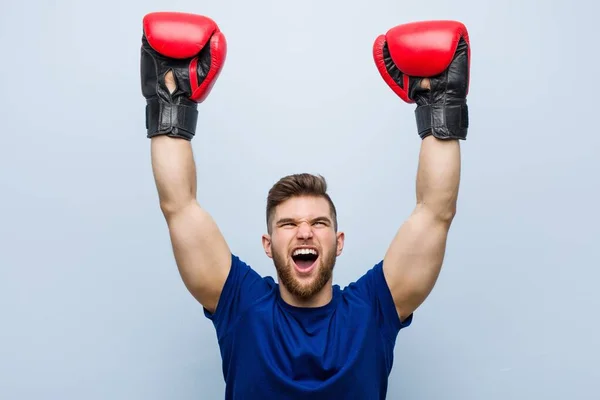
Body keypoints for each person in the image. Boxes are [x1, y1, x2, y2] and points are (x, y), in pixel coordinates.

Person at [140, 12, 470, 399]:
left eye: (318, 222)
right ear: (268, 244)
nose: (304, 231)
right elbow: (179, 206)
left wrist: (440, 107)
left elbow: (435, 213)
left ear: (339, 240)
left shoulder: (370, 313)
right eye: (287, 224)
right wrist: (170, 102)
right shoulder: (243, 306)